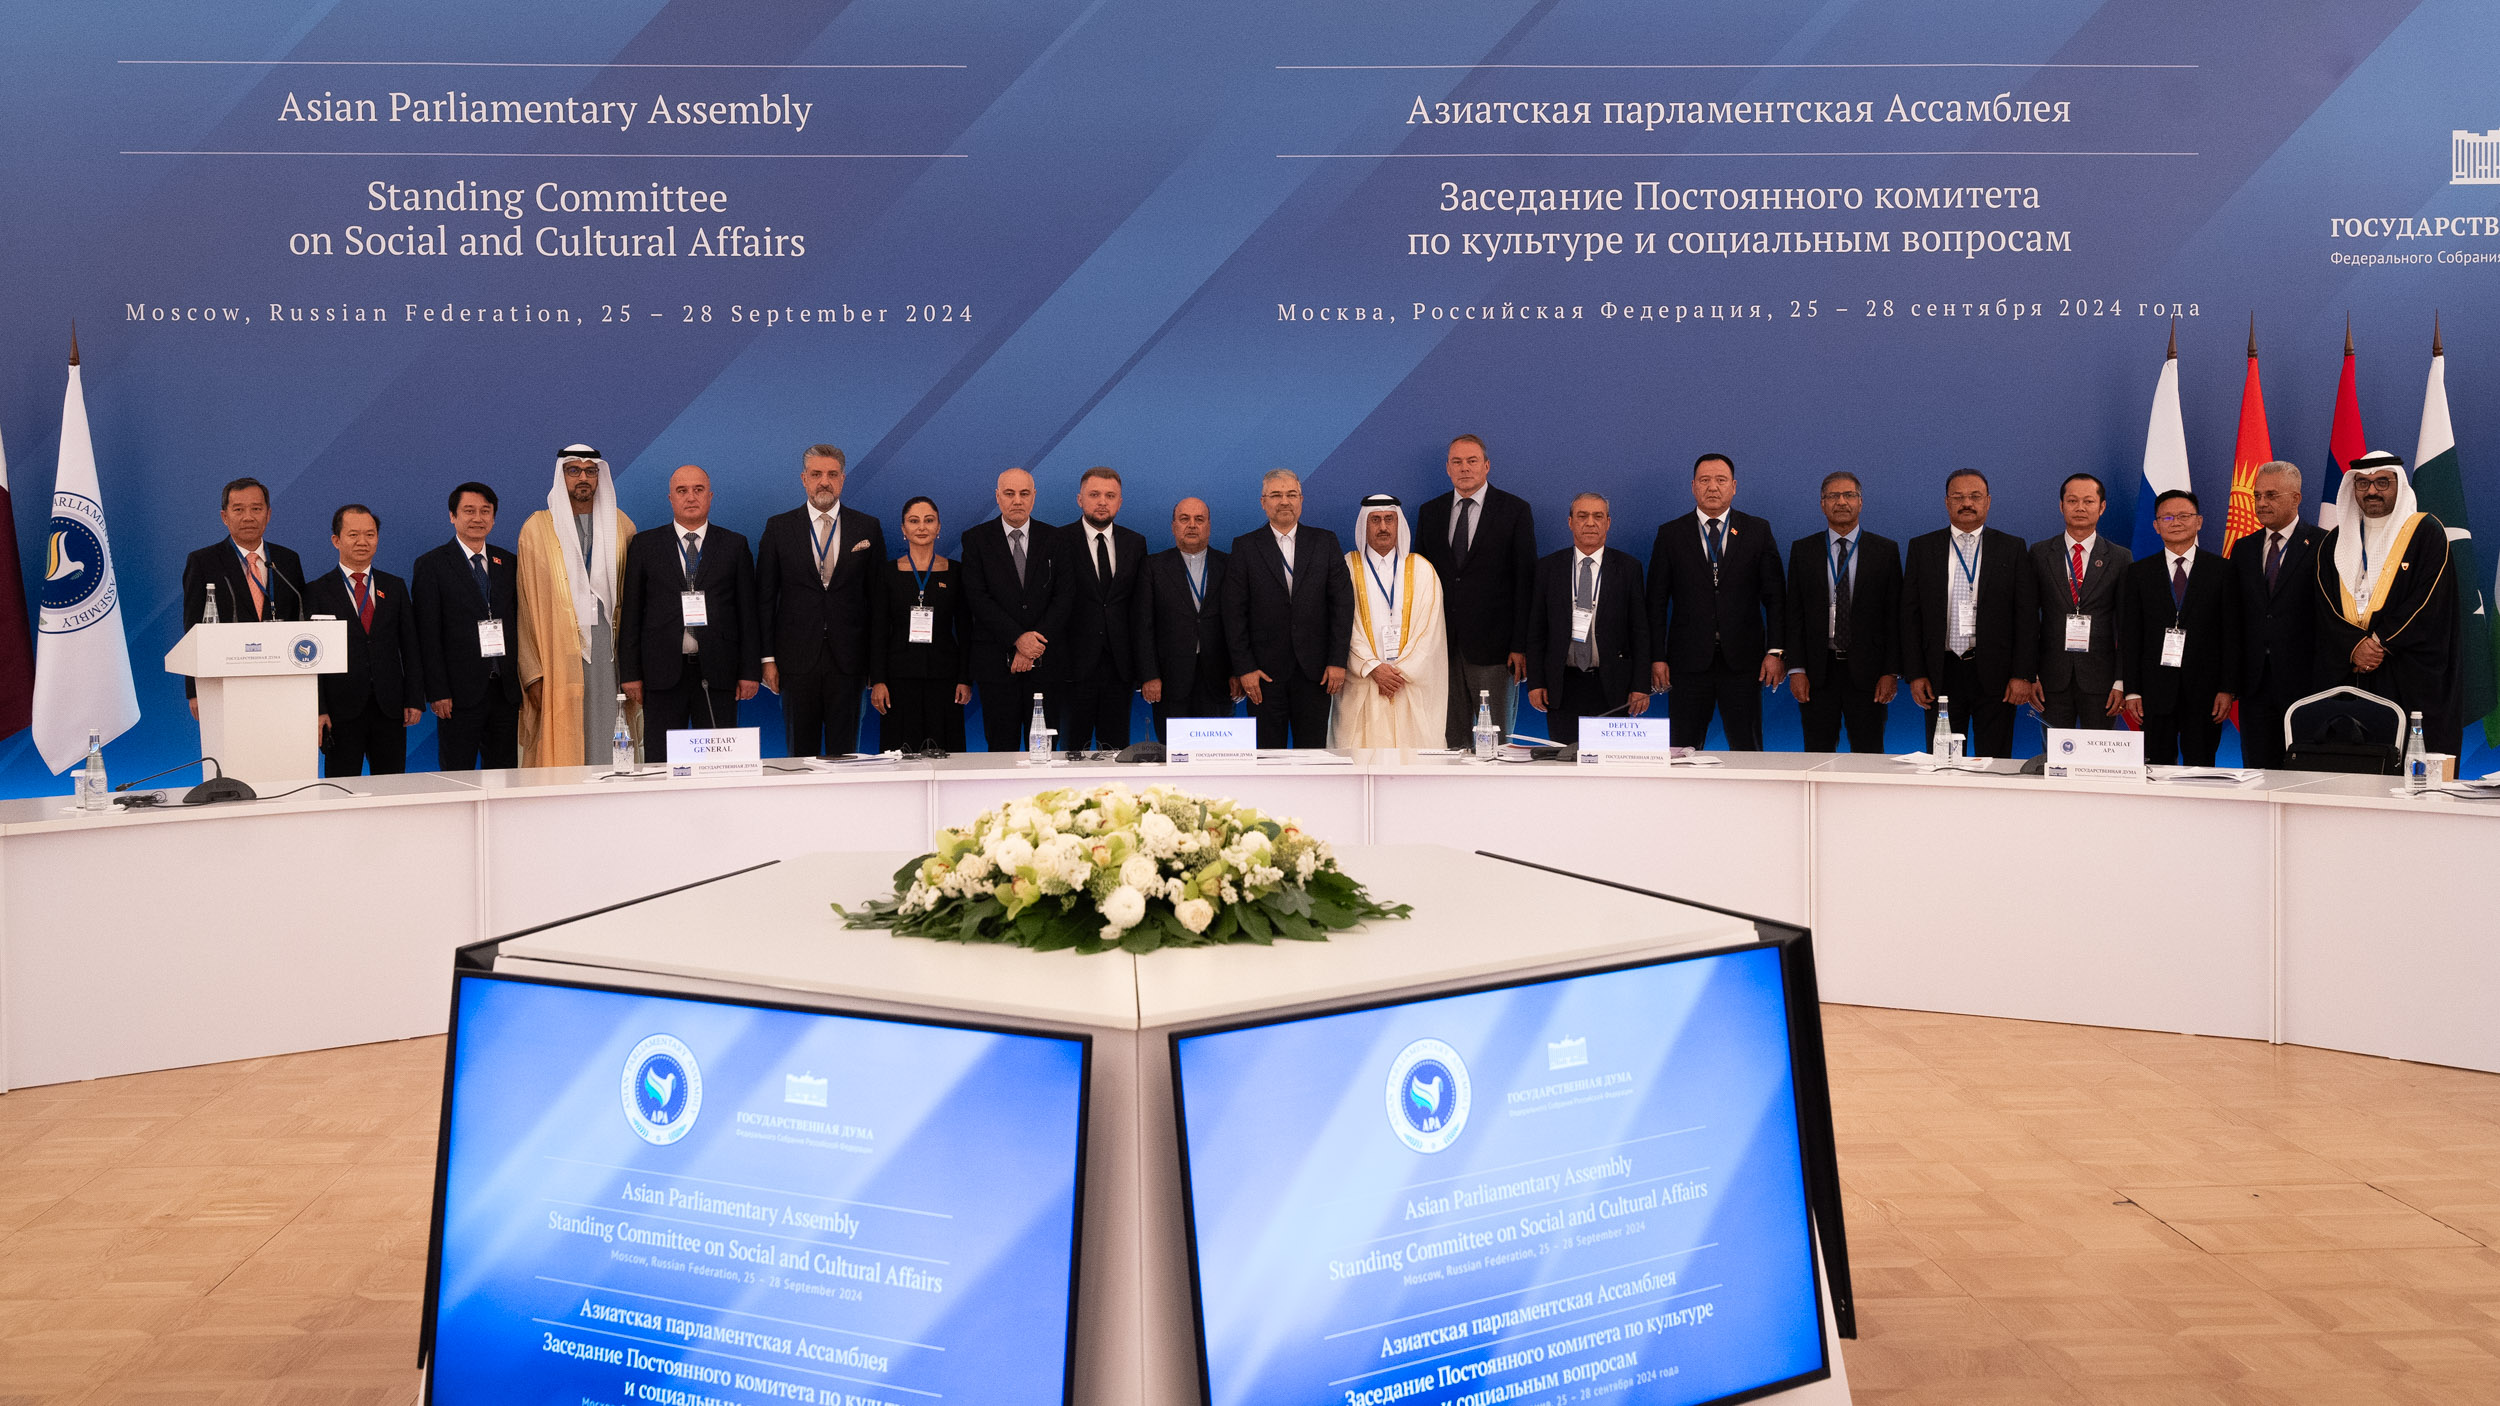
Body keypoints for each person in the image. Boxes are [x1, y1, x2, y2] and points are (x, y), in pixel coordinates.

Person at [2313, 450, 2462, 753]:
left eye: (2382, 482)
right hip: (2351, 671)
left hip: (2407, 672)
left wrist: (2379, 641)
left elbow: (2428, 600)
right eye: (2363, 483)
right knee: (2352, 759)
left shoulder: (2426, 532)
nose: (2371, 491)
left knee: (2411, 760)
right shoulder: (2333, 541)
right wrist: (2355, 645)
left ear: (2399, 486)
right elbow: (2324, 604)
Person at [618, 466, 760, 760]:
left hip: (719, 671)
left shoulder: (734, 545)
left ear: (710, 496)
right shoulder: (645, 545)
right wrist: (630, 673)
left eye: (698, 490)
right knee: (661, 762)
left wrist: (749, 671)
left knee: (720, 763)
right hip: (661, 673)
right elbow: (631, 613)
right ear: (671, 498)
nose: (691, 497)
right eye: (682, 491)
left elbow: (748, 613)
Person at [1647, 453, 1785, 750]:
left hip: (1744, 663)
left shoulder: (1757, 530)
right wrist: (1657, 657)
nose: (1712, 487)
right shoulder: (1671, 534)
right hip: (1687, 664)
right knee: (1682, 750)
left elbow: (1775, 598)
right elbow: (1656, 602)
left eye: (1721, 480)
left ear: (1733, 486)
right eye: (1705, 480)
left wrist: (1776, 651)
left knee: (1748, 751)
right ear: (1693, 487)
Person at [757, 444, 885, 758]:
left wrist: (877, 667)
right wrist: (767, 659)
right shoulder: (779, 527)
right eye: (816, 474)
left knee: (846, 757)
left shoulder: (867, 527)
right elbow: (764, 599)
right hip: (796, 661)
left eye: (831, 474)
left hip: (850, 661)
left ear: (842, 479)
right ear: (804, 479)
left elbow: (878, 603)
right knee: (800, 757)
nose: (824, 482)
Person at [1900, 469, 2038, 758]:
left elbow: (2026, 617)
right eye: (1958, 497)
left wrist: (2022, 674)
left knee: (1995, 760)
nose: (1967, 503)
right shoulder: (1922, 548)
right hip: (1941, 672)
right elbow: (1910, 616)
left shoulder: (2012, 548)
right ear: (1946, 502)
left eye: (1975, 496)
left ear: (1988, 501)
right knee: (1945, 761)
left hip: (1997, 675)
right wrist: (1915, 673)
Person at [516, 445, 636, 767]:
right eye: (574, 470)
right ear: (562, 475)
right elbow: (525, 608)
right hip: (556, 656)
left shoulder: (622, 526)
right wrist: (533, 673)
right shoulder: (536, 530)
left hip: (610, 653)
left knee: (610, 726)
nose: (583, 478)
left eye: (590, 471)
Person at [1413, 434, 1536, 749]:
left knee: (1495, 742)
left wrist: (1520, 645)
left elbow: (1525, 582)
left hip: (1495, 650)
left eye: (1472, 461)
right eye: (1457, 462)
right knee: (1450, 741)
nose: (1464, 468)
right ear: (1447, 468)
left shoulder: (1514, 510)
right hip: (1441, 647)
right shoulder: (1430, 512)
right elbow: (1419, 582)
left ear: (1487, 466)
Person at [1220, 469, 1353, 748]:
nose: (1284, 501)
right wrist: (1245, 668)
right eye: (1276, 495)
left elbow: (1342, 605)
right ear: (1263, 502)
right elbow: (1234, 613)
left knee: (1314, 755)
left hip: (1317, 673)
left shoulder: (1325, 542)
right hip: (1263, 676)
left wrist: (1337, 661)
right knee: (1267, 757)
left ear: (1301, 500)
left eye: (1291, 494)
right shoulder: (1245, 547)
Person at [2116, 490, 2241, 766]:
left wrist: (2227, 688)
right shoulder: (2138, 573)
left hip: (2206, 692)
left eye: (2184, 515)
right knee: (2156, 768)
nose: (2176, 522)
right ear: (2156, 525)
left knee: (2202, 768)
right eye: (2167, 517)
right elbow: (2131, 636)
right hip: (2154, 693)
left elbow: (2231, 635)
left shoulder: (2222, 571)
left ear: (2199, 521)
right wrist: (2132, 690)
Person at [1784, 472, 1900, 753]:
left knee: (1869, 754)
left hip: (1869, 674)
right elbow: (1794, 615)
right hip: (1818, 672)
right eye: (1833, 496)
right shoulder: (1803, 550)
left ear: (1860, 502)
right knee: (1817, 753)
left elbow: (1894, 617)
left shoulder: (1885, 551)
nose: (1841, 502)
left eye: (1849, 495)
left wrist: (1891, 672)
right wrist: (1796, 669)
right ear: (1822, 504)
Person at [959, 467, 1074, 752]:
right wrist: (1017, 639)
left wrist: (1032, 644)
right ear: (997, 497)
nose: (1017, 501)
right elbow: (978, 598)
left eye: (1024, 493)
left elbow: (1065, 597)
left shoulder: (1056, 539)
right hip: (997, 666)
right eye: (1009, 494)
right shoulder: (976, 539)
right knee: (1001, 750)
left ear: (1034, 496)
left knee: (1045, 750)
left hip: (1046, 665)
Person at [304, 504, 421, 776]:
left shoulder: (394, 587)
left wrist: (414, 698)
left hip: (389, 707)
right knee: (342, 787)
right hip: (341, 711)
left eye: (370, 534)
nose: (362, 542)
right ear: (336, 540)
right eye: (353, 535)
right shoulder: (317, 591)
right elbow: (310, 660)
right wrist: (319, 708)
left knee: (392, 786)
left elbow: (411, 647)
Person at [413, 481, 522, 769]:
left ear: (494, 517)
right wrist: (438, 691)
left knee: (505, 773)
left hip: (505, 691)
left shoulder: (508, 562)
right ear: (453, 516)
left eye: (485, 511)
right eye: (469, 511)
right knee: (457, 773)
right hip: (458, 694)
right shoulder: (432, 565)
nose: (478, 518)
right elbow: (427, 634)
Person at [1524, 493, 1650, 744]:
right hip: (1562, 685)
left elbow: (1640, 631)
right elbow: (1536, 630)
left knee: (1610, 761)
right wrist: (1535, 682)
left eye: (1598, 516)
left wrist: (1640, 685)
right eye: (1582, 516)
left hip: (1613, 685)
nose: (1590, 523)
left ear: (1608, 523)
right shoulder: (1548, 568)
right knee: (1563, 759)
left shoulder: (1628, 568)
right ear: (1570, 522)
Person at [181, 477, 308, 716]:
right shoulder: (203, 562)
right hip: (223, 682)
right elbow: (192, 628)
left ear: (268, 514)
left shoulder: (288, 560)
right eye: (238, 510)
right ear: (224, 516)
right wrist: (195, 688)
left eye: (256, 509)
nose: (248, 517)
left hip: (283, 681)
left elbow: (299, 620)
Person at [2229, 460, 2327, 768]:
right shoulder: (2243, 549)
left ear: (2296, 498)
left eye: (2271, 495)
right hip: (2254, 683)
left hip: (2306, 682)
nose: (2261, 503)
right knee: (2258, 769)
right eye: (2257, 496)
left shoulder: (2324, 543)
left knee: (2304, 771)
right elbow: (2234, 619)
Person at [1331, 495, 1447, 748]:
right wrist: (1373, 667)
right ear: (1364, 525)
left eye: (1389, 519)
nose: (1383, 527)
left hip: (1407, 685)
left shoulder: (1423, 570)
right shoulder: (1345, 567)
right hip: (1364, 682)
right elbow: (1341, 626)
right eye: (1375, 520)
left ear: (1398, 524)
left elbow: (1430, 631)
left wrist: (1398, 673)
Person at [1056, 466, 1148, 751]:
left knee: (1117, 752)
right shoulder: (1058, 541)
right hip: (1072, 668)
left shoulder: (1135, 543)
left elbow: (1140, 609)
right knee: (1072, 752)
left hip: (1120, 668)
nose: (1102, 502)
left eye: (1110, 495)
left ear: (1120, 502)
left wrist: (1143, 669)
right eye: (1094, 494)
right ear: (1079, 499)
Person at [2029, 472, 2130, 729]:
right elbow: (2027, 619)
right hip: (2051, 679)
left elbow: (2127, 625)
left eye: (2088, 501)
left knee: (2098, 752)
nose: (2080, 508)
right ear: (2061, 506)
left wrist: (2121, 681)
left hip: (2102, 680)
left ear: (2102, 507)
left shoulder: (2120, 557)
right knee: (2056, 752)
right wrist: (2031, 674)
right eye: (2072, 501)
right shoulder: (2040, 553)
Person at [870, 496, 968, 752]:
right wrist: (878, 680)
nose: (922, 527)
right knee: (900, 753)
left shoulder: (956, 572)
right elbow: (878, 630)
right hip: (898, 680)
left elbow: (966, 630)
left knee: (946, 753)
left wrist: (965, 678)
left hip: (946, 679)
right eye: (914, 521)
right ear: (903, 529)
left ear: (939, 527)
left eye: (929, 520)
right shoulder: (887, 572)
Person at [1136, 496, 1238, 737]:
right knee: (1173, 753)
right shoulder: (1153, 567)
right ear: (1174, 526)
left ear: (1209, 526)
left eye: (1199, 519)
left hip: (1219, 680)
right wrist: (1149, 675)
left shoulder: (1229, 565)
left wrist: (1238, 671)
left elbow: (1239, 624)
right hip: (1169, 681)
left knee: (1216, 753)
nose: (1192, 525)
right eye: (1184, 519)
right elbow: (1143, 626)